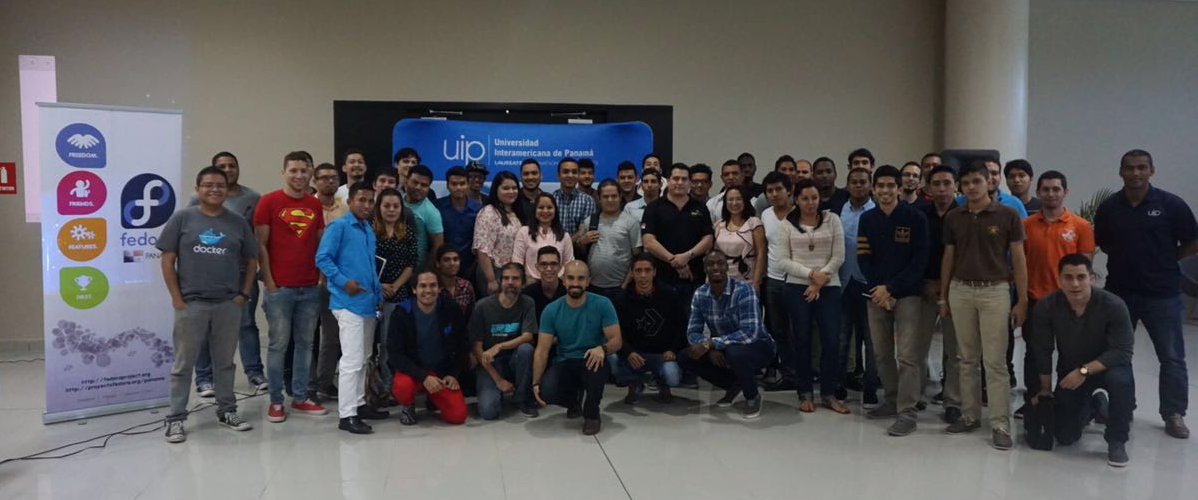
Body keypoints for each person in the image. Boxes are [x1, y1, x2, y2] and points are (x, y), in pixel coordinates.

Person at [1094, 148, 1198, 439]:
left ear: (1152, 170)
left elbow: (1192, 241)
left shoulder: (1170, 205)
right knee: (1119, 355)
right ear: (1121, 172)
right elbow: (1103, 242)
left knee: (1172, 356)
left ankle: (1173, 413)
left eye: (1141, 167)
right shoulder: (1110, 207)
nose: (1135, 172)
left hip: (1162, 294)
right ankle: (1124, 408)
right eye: (1129, 168)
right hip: (1120, 293)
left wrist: (1167, 261)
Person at [159, 166, 258, 443]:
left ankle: (227, 411)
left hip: (228, 304)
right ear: (197, 189)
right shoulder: (182, 218)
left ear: (227, 190)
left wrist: (243, 294)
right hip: (191, 304)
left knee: (225, 363)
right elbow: (167, 259)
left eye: (220, 185)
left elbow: (252, 260)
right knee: (183, 365)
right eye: (208, 185)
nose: (215, 189)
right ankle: (176, 418)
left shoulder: (237, 222)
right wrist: (176, 298)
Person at [939, 160, 1028, 450]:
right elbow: (948, 258)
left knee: (995, 362)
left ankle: (1000, 424)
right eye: (965, 183)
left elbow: (1019, 259)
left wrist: (1022, 299)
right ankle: (969, 416)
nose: (971, 188)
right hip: (961, 290)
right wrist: (943, 296)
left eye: (976, 181)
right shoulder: (954, 217)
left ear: (989, 181)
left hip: (995, 291)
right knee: (966, 358)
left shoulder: (1008, 215)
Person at [1029, 254, 1135, 466]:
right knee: (1065, 436)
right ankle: (1096, 406)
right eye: (1068, 277)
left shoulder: (1114, 305)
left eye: (1081, 277)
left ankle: (1116, 440)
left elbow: (1122, 351)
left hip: (1108, 367)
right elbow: (1043, 350)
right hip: (1071, 370)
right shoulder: (1047, 306)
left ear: (1091, 278)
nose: (1075, 284)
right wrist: (1045, 390)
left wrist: (1084, 371)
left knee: (1120, 382)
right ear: (1059, 279)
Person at [255, 151, 329, 422]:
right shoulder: (268, 201)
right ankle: (276, 401)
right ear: (283, 172)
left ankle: (300, 397)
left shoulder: (315, 204)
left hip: (309, 287)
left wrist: (320, 279)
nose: (299, 175)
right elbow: (260, 245)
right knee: (278, 345)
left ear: (310, 173)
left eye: (304, 171)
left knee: (305, 345)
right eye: (293, 170)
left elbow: (320, 242)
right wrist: (270, 282)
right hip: (280, 289)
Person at [857, 165, 930, 436]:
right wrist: (880, 290)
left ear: (899, 189)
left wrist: (891, 288)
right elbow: (863, 258)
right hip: (876, 295)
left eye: (891, 186)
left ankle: (907, 412)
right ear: (874, 190)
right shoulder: (868, 219)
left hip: (908, 295)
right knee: (881, 353)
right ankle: (891, 399)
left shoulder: (915, 218)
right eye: (881, 186)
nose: (886, 190)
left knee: (908, 356)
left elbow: (919, 261)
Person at [1014, 170, 1094, 418]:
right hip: (1036, 301)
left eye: (1056, 189)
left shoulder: (1080, 226)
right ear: (1038, 192)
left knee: (1071, 354)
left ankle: (1068, 401)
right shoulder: (1025, 225)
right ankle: (1034, 400)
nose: (1051, 194)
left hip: (1069, 303)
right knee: (1035, 353)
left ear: (1065, 192)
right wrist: (1022, 301)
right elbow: (1019, 265)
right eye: (1046, 189)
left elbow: (1085, 268)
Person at [185, 152, 265, 397]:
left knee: (246, 324)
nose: (228, 170)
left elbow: (257, 236)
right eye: (223, 166)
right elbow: (190, 235)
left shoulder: (252, 198)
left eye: (232, 165)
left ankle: (254, 372)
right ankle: (204, 378)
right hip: (208, 274)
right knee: (205, 327)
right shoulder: (196, 200)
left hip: (241, 273)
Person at [315, 182, 389, 434]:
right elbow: (322, 258)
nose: (367, 205)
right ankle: (347, 415)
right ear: (349, 201)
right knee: (352, 360)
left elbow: (370, 267)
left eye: (370, 201)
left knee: (364, 357)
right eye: (362, 200)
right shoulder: (339, 226)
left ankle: (359, 404)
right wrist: (343, 282)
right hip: (347, 303)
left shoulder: (368, 229)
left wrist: (378, 294)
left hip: (368, 302)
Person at [778, 179, 849, 414]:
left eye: (814, 198)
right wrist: (811, 275)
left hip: (829, 287)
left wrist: (820, 280)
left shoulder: (832, 219)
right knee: (802, 340)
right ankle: (805, 392)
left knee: (831, 341)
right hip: (797, 288)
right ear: (796, 200)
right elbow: (783, 260)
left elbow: (839, 256)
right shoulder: (787, 224)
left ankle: (828, 393)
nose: (810, 203)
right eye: (805, 198)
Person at [677, 251, 777, 418]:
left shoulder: (744, 290)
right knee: (685, 356)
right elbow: (692, 332)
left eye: (720, 263)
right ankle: (736, 385)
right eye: (710, 264)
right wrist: (709, 347)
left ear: (727, 267)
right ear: (704, 269)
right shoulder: (700, 294)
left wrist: (711, 344)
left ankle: (752, 396)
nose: (715, 267)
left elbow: (749, 333)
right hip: (724, 346)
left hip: (759, 347)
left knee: (734, 352)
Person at [532, 261, 623, 435]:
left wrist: (602, 349)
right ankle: (573, 400)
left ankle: (592, 415)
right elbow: (542, 350)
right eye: (571, 278)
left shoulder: (603, 304)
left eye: (580, 278)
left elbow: (616, 340)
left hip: (593, 358)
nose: (575, 283)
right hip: (565, 360)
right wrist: (535, 382)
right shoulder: (551, 310)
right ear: (564, 280)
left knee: (597, 369)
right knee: (546, 392)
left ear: (588, 281)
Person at [387, 272, 471, 426]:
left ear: (439, 288)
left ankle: (433, 398)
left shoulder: (451, 308)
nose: (428, 290)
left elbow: (463, 344)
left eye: (433, 285)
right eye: (423, 286)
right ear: (414, 289)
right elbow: (395, 354)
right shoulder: (401, 313)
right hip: (413, 372)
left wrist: (453, 374)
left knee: (458, 416)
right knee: (403, 386)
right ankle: (408, 406)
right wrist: (423, 376)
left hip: (441, 373)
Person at [917, 165, 963, 424]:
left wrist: (945, 285)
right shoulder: (919, 214)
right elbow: (913, 253)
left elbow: (966, 255)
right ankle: (915, 396)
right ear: (928, 187)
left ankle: (952, 401)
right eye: (937, 183)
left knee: (954, 351)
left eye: (947, 183)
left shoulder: (965, 215)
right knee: (917, 347)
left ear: (956, 186)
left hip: (955, 290)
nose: (942, 189)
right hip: (924, 289)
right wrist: (927, 282)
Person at [613, 254, 687, 404]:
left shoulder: (669, 294)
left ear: (654, 272)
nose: (643, 275)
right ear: (632, 273)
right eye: (638, 271)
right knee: (611, 359)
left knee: (672, 376)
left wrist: (672, 349)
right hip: (635, 354)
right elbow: (616, 333)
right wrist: (628, 352)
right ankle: (634, 383)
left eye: (647, 270)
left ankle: (663, 384)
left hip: (662, 354)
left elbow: (681, 326)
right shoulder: (622, 299)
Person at [471, 263, 539, 420]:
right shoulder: (482, 306)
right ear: (500, 282)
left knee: (526, 349)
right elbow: (477, 348)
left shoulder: (528, 303)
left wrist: (500, 345)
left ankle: (521, 397)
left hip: (515, 360)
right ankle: (496, 391)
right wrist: (498, 380)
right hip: (490, 363)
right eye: (506, 278)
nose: (510, 282)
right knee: (489, 412)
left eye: (515, 279)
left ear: (523, 283)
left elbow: (528, 336)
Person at [642, 163, 714, 306]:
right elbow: (648, 241)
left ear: (689, 183)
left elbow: (708, 239)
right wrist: (674, 261)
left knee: (692, 318)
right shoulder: (653, 208)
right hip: (662, 278)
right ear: (668, 181)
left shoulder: (700, 207)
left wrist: (687, 256)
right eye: (675, 178)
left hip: (694, 278)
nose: (680, 182)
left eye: (684, 179)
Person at [838, 167, 878, 406]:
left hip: (869, 284)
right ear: (847, 185)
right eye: (854, 182)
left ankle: (871, 389)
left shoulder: (877, 212)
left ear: (870, 185)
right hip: (843, 283)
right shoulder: (838, 211)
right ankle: (839, 385)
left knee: (872, 342)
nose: (858, 186)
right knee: (842, 339)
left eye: (863, 182)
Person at [309, 162, 349, 400]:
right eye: (324, 177)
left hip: (334, 281)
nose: (329, 181)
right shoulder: (307, 207)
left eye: (334, 177)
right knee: (306, 337)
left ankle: (324, 384)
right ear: (314, 181)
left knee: (331, 337)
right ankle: (306, 385)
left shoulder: (345, 209)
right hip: (307, 279)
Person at [760, 172, 797, 388]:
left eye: (778, 189)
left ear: (789, 190)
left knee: (799, 330)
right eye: (770, 191)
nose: (774, 194)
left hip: (798, 280)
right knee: (779, 330)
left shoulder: (800, 213)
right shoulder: (766, 215)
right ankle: (789, 375)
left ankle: (804, 374)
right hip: (773, 280)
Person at [575, 180, 641, 299]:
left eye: (614, 196)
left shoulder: (631, 222)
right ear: (599, 199)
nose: (610, 200)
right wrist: (582, 242)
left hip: (620, 287)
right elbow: (583, 253)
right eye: (605, 197)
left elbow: (637, 258)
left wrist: (624, 285)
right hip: (592, 286)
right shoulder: (590, 221)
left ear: (620, 197)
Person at [474, 171, 524, 296]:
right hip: (494, 273)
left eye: (514, 188)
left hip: (513, 272)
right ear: (496, 189)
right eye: (506, 188)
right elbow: (482, 250)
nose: (511, 191)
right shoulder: (488, 212)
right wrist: (491, 280)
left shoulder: (516, 213)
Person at [513, 193, 574, 282]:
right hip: (530, 283)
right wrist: (525, 280)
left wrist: (559, 280)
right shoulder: (524, 232)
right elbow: (517, 260)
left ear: (555, 210)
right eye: (541, 207)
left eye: (549, 207)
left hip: (558, 283)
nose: (545, 211)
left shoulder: (564, 235)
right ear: (535, 210)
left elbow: (569, 262)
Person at [434, 166, 482, 280]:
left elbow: (481, 242)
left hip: (471, 267)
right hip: (444, 267)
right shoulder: (437, 207)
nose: (458, 187)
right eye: (454, 184)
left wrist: (475, 266)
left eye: (462, 183)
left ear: (468, 184)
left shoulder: (479, 209)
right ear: (447, 186)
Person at [713, 186, 765, 290]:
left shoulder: (754, 223)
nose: (734, 203)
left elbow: (761, 253)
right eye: (730, 199)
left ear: (745, 201)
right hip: (723, 279)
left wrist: (756, 282)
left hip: (747, 279)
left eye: (738, 199)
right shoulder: (719, 224)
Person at [954, 157, 1028, 218]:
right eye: (986, 173)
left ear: (1000, 177)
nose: (989, 177)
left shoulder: (1014, 203)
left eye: (994, 173)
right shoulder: (958, 202)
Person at [403, 164, 445, 271]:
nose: (418, 187)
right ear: (406, 181)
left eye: (424, 185)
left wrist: (425, 271)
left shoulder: (431, 212)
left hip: (415, 270)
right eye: (415, 182)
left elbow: (438, 245)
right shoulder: (397, 200)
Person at [552, 158, 596, 236]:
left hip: (578, 244)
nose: (570, 175)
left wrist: (566, 243)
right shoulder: (551, 199)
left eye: (574, 172)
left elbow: (583, 232)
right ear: (558, 175)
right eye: (566, 172)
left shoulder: (587, 201)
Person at [522, 247, 567, 319]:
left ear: (560, 267)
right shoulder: (527, 294)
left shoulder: (568, 292)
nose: (549, 268)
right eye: (544, 264)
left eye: (553, 264)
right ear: (537, 267)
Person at [434, 246, 476, 317]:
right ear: (438, 263)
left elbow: (472, 315)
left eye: (455, 259)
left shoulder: (466, 286)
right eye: (447, 260)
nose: (452, 263)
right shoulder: (432, 287)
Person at [706, 160, 743, 224]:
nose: (731, 177)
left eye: (735, 173)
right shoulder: (712, 203)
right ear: (722, 178)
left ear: (742, 176)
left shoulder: (753, 201)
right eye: (726, 174)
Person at [515, 158, 545, 224]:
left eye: (534, 173)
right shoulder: (513, 200)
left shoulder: (547, 200)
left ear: (541, 176)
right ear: (520, 177)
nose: (530, 177)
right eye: (526, 174)